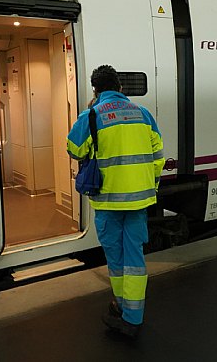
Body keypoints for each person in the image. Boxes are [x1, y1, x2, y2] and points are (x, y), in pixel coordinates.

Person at [67, 65, 165, 338]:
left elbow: (74, 149)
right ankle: (133, 315)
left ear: (96, 90)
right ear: (120, 87)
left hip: (108, 202)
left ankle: (123, 307)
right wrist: (149, 186)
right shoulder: (143, 114)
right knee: (134, 257)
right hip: (139, 201)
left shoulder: (92, 115)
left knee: (116, 257)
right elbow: (158, 156)